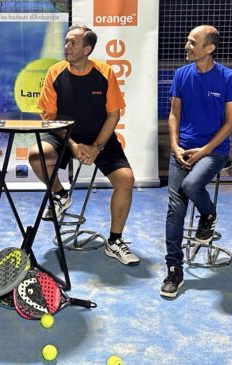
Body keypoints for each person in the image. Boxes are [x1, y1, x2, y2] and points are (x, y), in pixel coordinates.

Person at [29, 24, 139, 266]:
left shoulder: (105, 72)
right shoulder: (55, 73)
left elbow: (113, 115)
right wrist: (72, 144)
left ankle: (115, 241)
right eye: (66, 42)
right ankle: (59, 195)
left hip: (100, 138)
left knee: (126, 180)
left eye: (73, 43)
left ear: (87, 49)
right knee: (37, 155)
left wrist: (96, 147)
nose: (66, 47)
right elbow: (49, 118)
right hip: (63, 136)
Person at [161, 25, 232, 298]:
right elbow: (173, 115)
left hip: (215, 150)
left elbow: (230, 123)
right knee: (175, 209)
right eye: (187, 41)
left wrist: (205, 150)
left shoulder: (229, 79)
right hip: (182, 149)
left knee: (192, 186)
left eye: (192, 42)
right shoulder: (181, 75)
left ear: (209, 48)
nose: (187, 45)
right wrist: (175, 146)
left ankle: (208, 214)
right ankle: (174, 269)